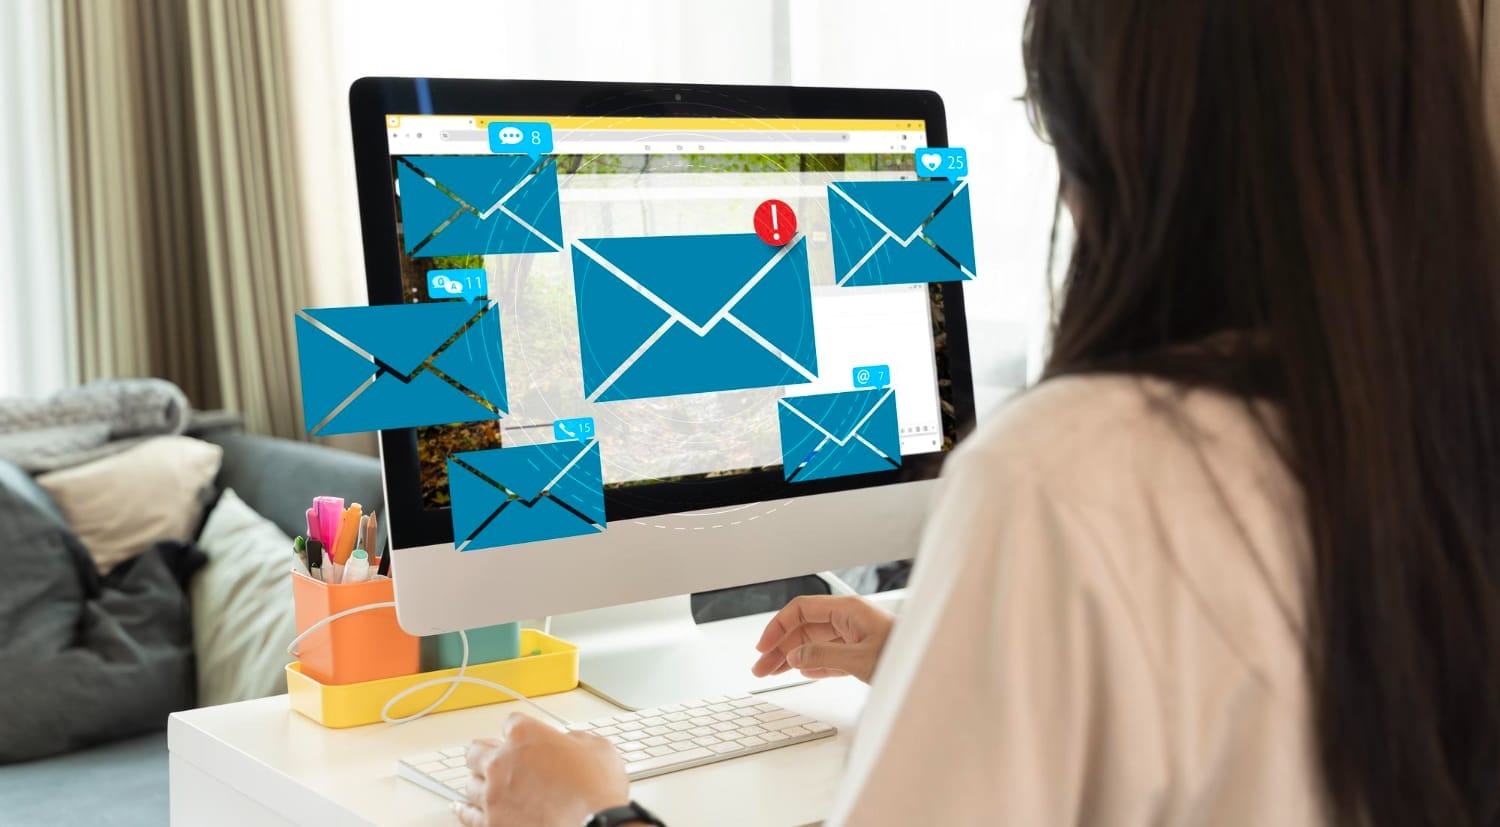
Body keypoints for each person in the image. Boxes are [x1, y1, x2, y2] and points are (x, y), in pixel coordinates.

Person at [455, 0, 1500, 822]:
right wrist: (944, 651)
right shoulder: (1437, 424)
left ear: (1125, 145)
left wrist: (586, 812)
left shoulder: (1072, 470)